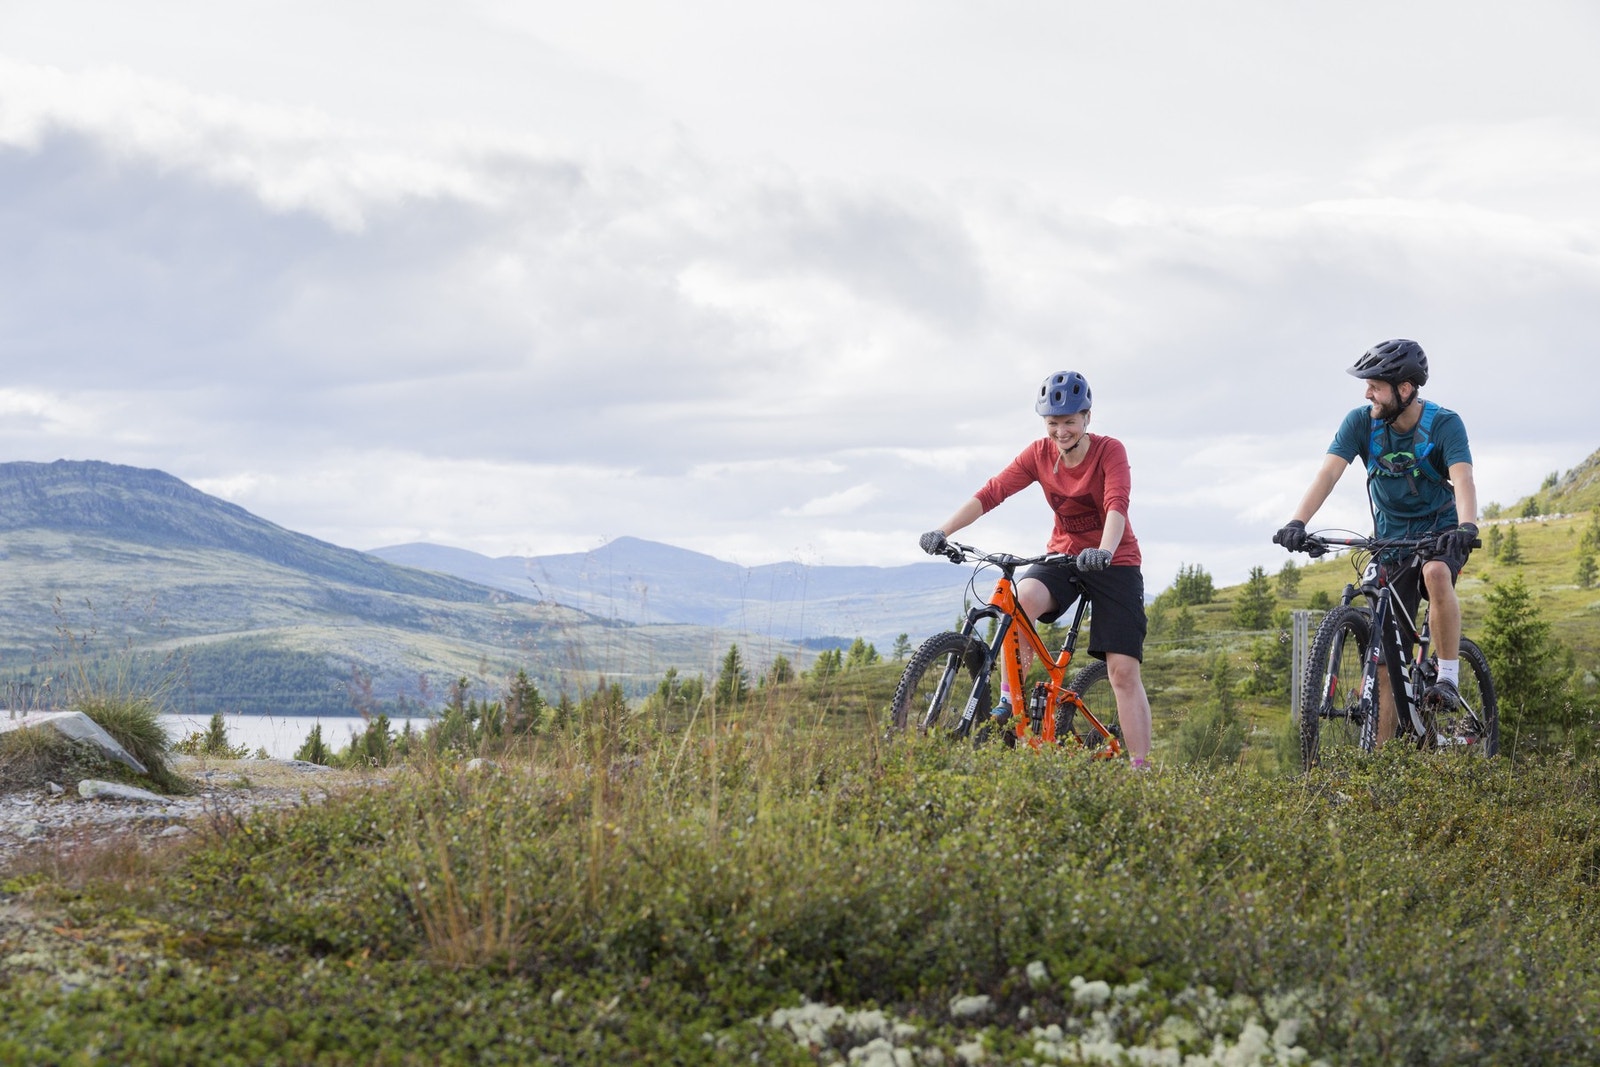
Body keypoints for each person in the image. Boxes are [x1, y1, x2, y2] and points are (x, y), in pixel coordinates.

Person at [919, 371, 1154, 768]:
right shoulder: (1038, 454)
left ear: (1087, 418)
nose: (1061, 432)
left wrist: (1104, 550)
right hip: (1062, 557)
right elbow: (993, 492)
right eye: (1052, 423)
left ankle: (1141, 768)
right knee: (1021, 599)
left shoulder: (1110, 451)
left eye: (1069, 422)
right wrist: (943, 531)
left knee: (1122, 671)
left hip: (1114, 561)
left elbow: (1117, 503)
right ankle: (1011, 702)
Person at [1272, 338, 1478, 738]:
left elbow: (1463, 477)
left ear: (1404, 388)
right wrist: (1298, 521)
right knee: (1385, 657)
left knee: (1436, 573)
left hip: (1440, 535)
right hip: (1390, 540)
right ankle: (1380, 768)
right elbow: (1328, 473)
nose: (1368, 393)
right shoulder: (1361, 422)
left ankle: (1448, 676)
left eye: (1376, 385)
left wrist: (1466, 529)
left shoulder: (1443, 424)